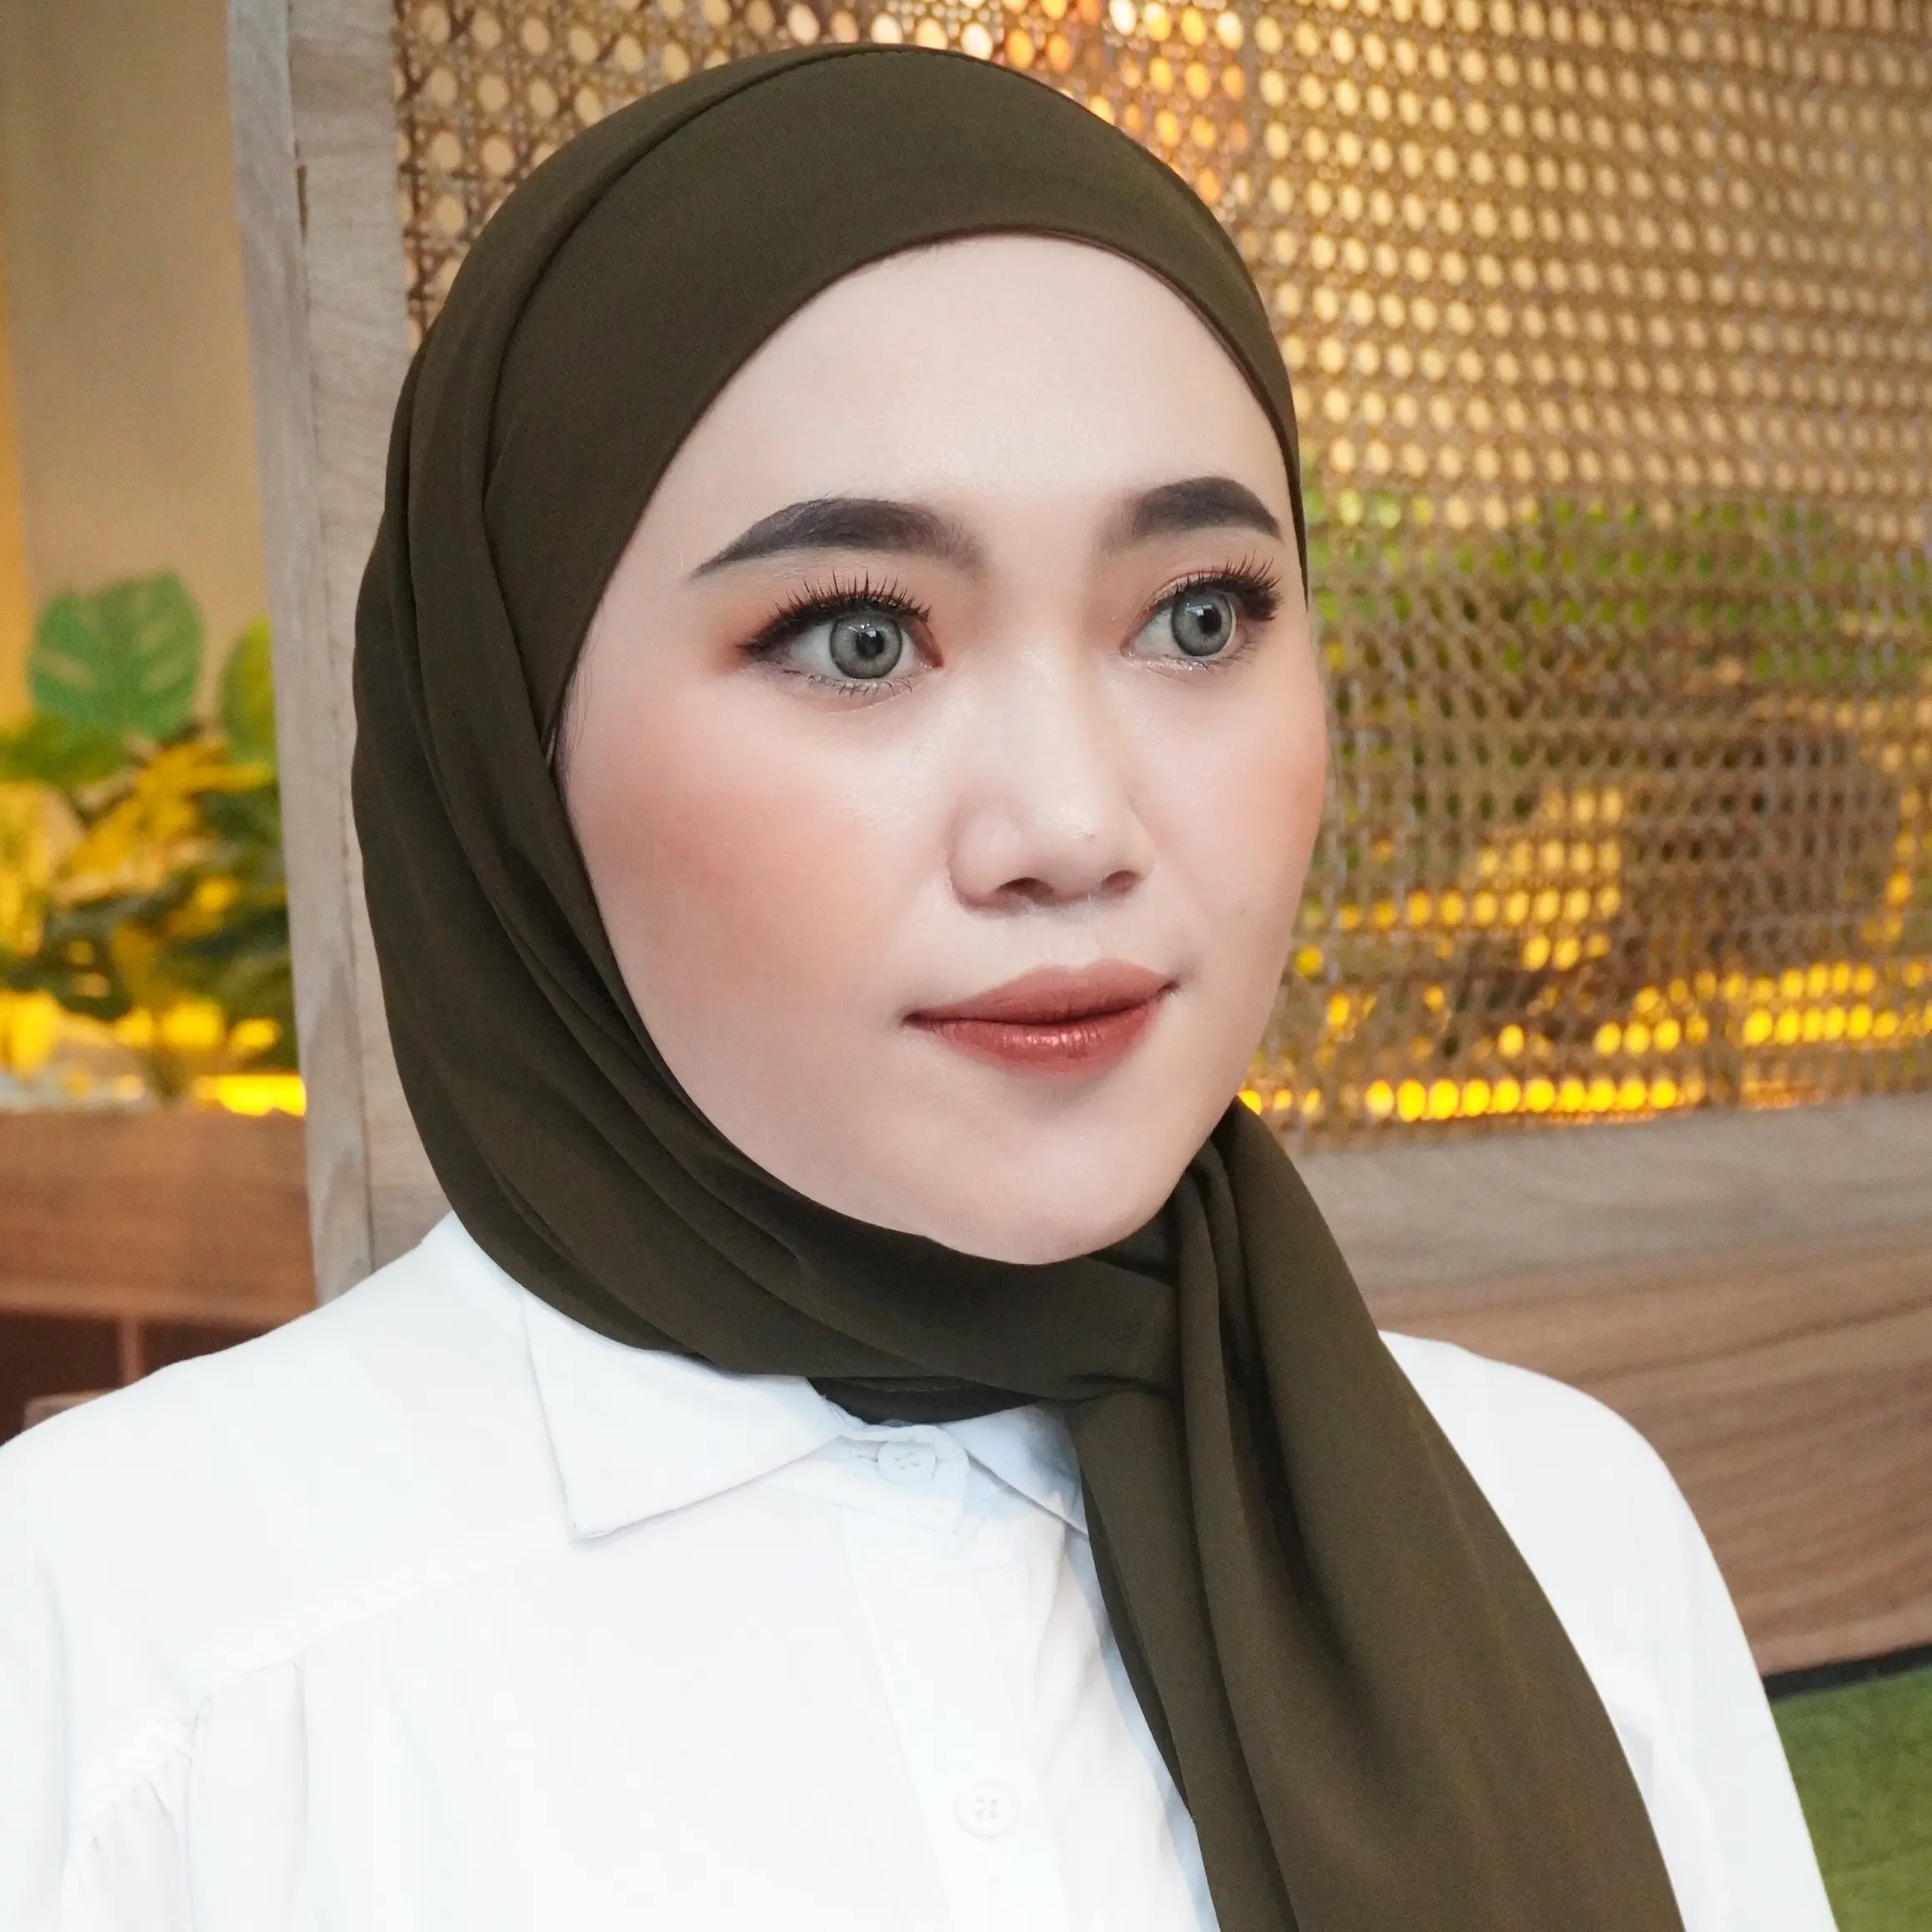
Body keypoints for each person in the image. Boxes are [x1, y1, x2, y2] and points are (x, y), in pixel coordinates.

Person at [0, 45, 1833, 1932]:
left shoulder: (1554, 1525)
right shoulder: (138, 1644)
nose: (1071, 825)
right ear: (512, 740)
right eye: (860, 639)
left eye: (1197, 616)